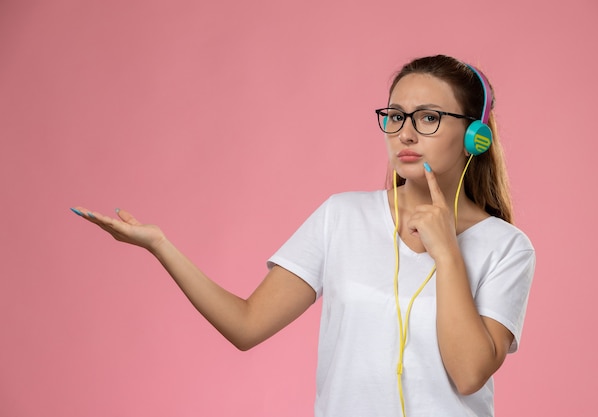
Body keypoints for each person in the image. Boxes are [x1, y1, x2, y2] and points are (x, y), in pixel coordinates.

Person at [71, 54, 535, 417]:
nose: (405, 134)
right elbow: (247, 325)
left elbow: (470, 372)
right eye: (395, 116)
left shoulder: (506, 247)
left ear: (476, 133)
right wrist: (160, 245)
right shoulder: (341, 216)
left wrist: (448, 254)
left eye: (428, 117)